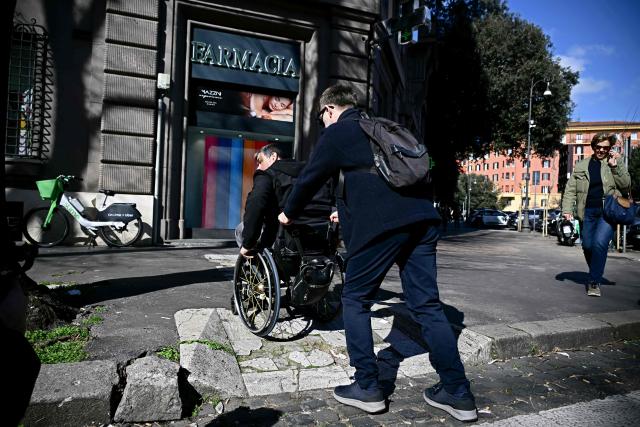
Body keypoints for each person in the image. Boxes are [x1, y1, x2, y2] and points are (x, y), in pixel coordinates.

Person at [277, 84, 477, 422]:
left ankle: (367, 386)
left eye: (320, 117)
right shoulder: (382, 127)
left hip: (383, 227)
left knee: (355, 300)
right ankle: (458, 392)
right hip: (422, 219)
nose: (322, 123)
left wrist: (287, 212)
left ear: (329, 110)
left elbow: (310, 178)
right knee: (427, 305)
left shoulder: (340, 131)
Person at [561, 132, 631, 297]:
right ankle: (596, 270)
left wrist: (616, 167)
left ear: (609, 148)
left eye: (605, 148)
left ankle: (594, 281)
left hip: (608, 211)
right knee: (587, 246)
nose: (601, 150)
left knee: (600, 244)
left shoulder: (614, 162)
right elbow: (570, 189)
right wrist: (567, 210)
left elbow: (626, 184)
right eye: (598, 147)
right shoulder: (581, 165)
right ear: (593, 147)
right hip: (586, 211)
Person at [239, 144, 334, 258]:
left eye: (260, 161)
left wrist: (248, 243)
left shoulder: (267, 175)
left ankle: (253, 267)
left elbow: (256, 205)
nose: (258, 167)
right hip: (320, 240)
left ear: (273, 157)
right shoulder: (313, 172)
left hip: (283, 242)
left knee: (241, 229)